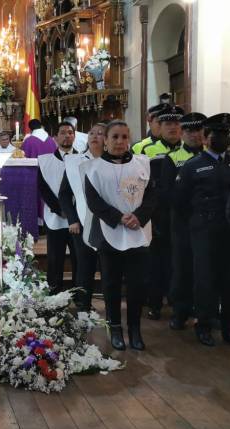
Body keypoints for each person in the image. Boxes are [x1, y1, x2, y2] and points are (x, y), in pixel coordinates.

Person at [84, 120, 155, 351]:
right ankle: (115, 328)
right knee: (111, 283)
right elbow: (94, 202)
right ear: (105, 139)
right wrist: (118, 217)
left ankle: (134, 329)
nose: (120, 141)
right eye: (114, 137)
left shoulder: (143, 163)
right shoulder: (93, 168)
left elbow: (153, 196)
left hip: (138, 231)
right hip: (109, 232)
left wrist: (138, 216)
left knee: (137, 283)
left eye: (124, 137)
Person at [174, 113, 230, 347]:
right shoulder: (193, 166)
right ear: (205, 138)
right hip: (204, 231)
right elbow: (180, 203)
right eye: (217, 135)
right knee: (205, 280)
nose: (222, 139)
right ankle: (203, 325)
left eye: (226, 135)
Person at [141, 105, 184, 320]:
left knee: (179, 261)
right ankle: (155, 303)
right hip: (156, 214)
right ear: (159, 127)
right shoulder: (146, 150)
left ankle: (178, 303)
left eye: (177, 124)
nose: (173, 128)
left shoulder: (190, 151)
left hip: (182, 215)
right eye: (168, 124)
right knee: (155, 262)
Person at [58, 122, 106, 310]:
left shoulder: (113, 161)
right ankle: (83, 306)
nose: (94, 136)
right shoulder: (74, 161)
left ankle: (110, 307)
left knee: (108, 267)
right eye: (91, 132)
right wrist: (72, 219)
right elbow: (64, 194)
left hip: (108, 223)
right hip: (82, 222)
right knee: (85, 266)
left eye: (100, 133)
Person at [167, 112, 206, 330]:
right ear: (183, 133)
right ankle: (180, 311)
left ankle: (205, 312)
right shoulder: (173, 158)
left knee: (206, 270)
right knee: (182, 268)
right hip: (182, 222)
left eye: (198, 130)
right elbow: (168, 193)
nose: (194, 135)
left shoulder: (213, 157)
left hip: (207, 224)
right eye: (189, 130)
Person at [38, 121, 78, 294]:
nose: (67, 135)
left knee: (79, 258)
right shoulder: (45, 161)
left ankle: (79, 295)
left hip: (78, 218)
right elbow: (43, 189)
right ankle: (54, 295)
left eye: (70, 132)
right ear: (55, 137)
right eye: (63, 132)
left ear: (74, 136)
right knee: (55, 259)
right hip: (56, 217)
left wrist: (73, 213)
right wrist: (60, 210)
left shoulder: (83, 159)